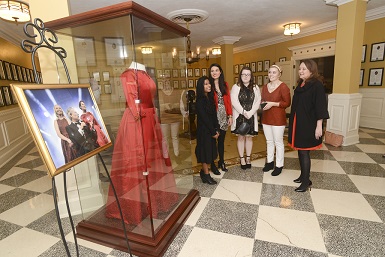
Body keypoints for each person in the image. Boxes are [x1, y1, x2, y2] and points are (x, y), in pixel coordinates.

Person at [105, 61, 178, 225]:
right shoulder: (128, 74)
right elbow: (132, 100)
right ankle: (136, 208)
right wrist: (141, 117)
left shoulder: (146, 73)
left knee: (153, 159)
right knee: (137, 160)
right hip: (136, 120)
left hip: (150, 118)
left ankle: (156, 203)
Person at [288, 59, 329, 192]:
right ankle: (303, 175)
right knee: (300, 150)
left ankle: (306, 182)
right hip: (298, 123)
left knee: (304, 151)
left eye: (304, 69)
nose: (300, 71)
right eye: (300, 69)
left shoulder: (317, 85)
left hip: (308, 123)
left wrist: (319, 126)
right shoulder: (301, 83)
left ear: (312, 70)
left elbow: (320, 107)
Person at [261, 65, 291, 176]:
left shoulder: (283, 87)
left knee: (278, 142)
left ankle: (279, 165)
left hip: (278, 118)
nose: (271, 74)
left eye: (274, 72)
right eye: (269, 72)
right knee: (269, 141)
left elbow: (287, 103)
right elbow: (263, 99)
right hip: (266, 117)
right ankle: (269, 162)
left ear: (279, 74)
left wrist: (273, 104)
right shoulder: (265, 87)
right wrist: (262, 103)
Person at [230, 67, 261, 169]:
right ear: (240, 76)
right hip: (240, 116)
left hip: (251, 116)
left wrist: (251, 112)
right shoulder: (236, 87)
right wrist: (243, 112)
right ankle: (242, 158)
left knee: (249, 138)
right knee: (241, 137)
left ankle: (248, 158)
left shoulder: (255, 87)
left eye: (248, 74)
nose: (246, 76)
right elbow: (234, 101)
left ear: (251, 76)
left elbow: (258, 101)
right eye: (243, 74)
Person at [195, 76, 220, 184]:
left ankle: (203, 172)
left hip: (211, 130)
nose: (209, 85)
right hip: (204, 131)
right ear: (201, 86)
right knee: (205, 153)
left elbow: (214, 115)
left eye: (209, 83)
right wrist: (213, 131)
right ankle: (206, 174)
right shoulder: (200, 100)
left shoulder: (210, 98)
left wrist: (217, 128)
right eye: (205, 84)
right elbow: (204, 118)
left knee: (210, 152)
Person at [209, 63, 233, 173]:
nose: (214, 73)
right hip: (213, 116)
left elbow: (228, 101)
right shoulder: (208, 85)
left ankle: (221, 161)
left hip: (224, 115)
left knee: (222, 140)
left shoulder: (225, 84)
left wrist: (230, 115)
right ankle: (213, 164)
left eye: (216, 70)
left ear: (220, 72)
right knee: (213, 141)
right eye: (212, 71)